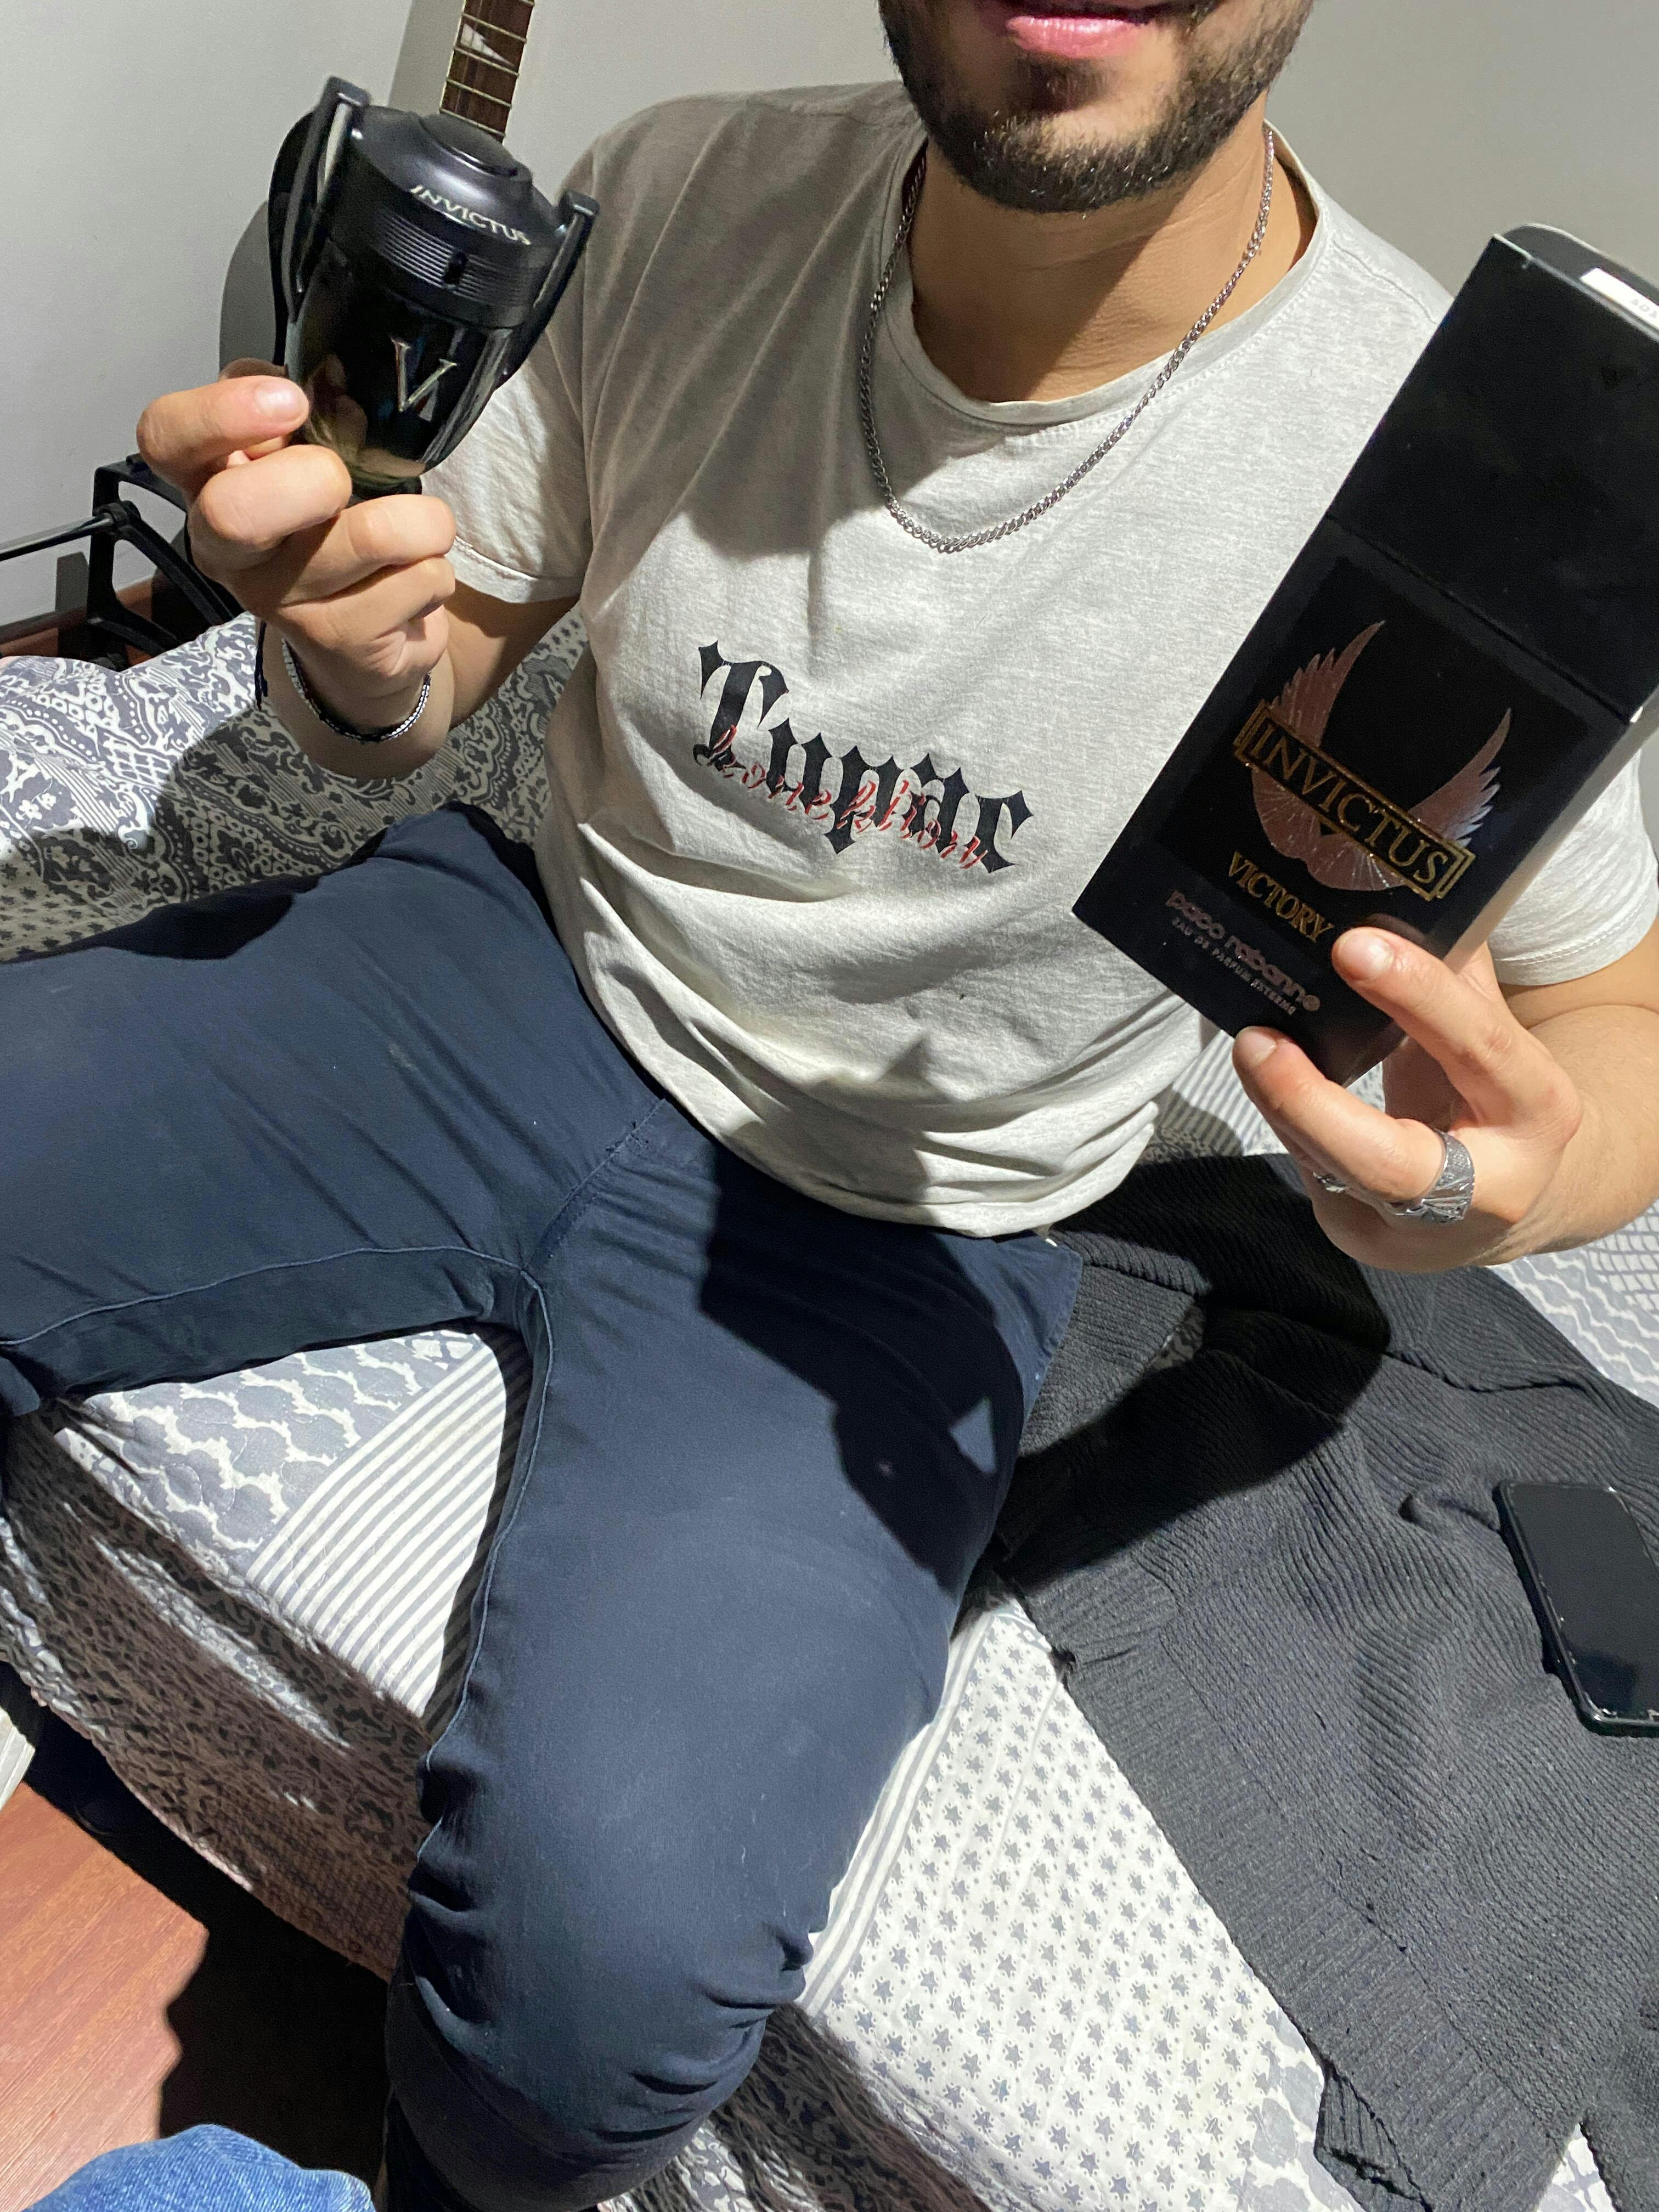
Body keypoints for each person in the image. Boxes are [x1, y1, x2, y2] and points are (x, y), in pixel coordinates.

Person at [8, 2, 1659, 2208]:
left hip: (914, 1224)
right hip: (513, 965)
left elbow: (1621, 1010)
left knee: (593, 1998)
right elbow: (449, 635)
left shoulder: (1441, 468)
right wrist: (350, 653)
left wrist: (1513, 1185)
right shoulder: (689, 187)